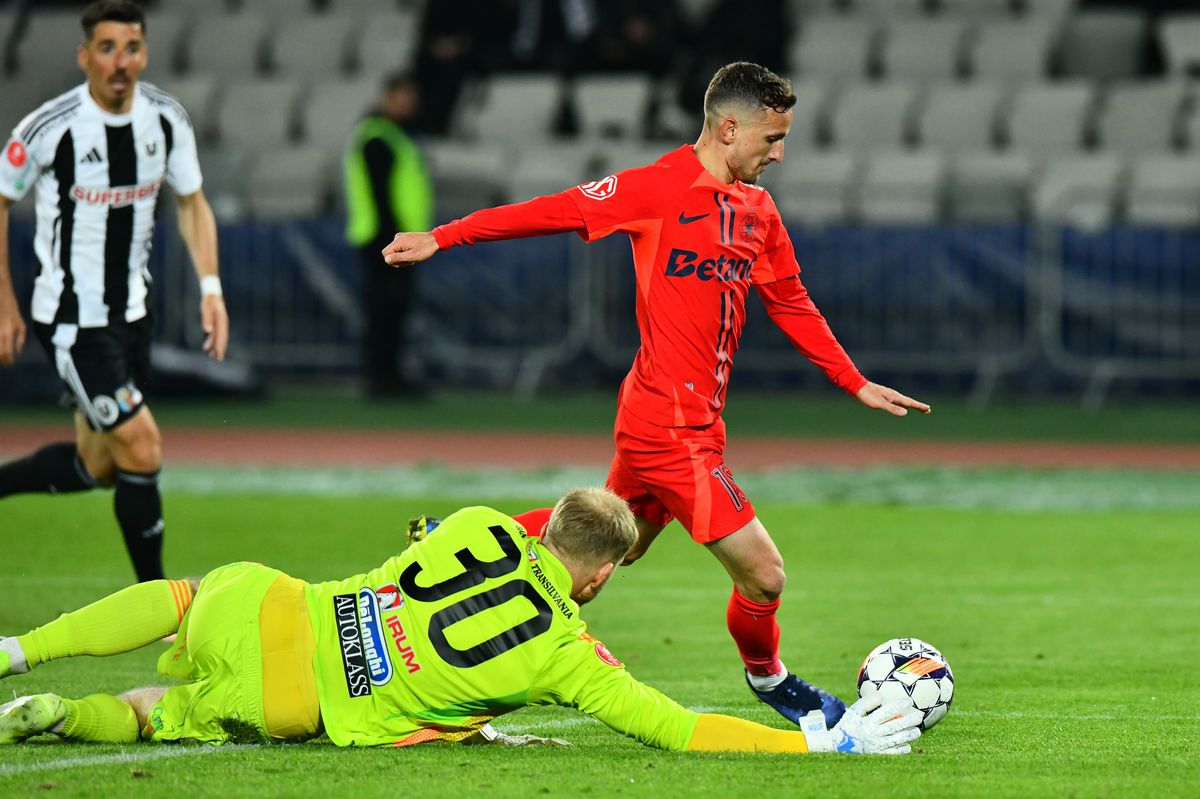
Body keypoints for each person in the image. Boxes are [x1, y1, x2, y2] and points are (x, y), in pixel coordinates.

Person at [381, 62, 932, 730]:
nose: (780, 152)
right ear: (729, 129)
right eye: (772, 138)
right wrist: (446, 235)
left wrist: (853, 379)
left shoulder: (758, 210)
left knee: (612, 548)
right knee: (765, 575)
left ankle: (459, 546)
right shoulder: (657, 189)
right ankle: (772, 681)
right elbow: (553, 210)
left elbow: (789, 298)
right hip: (667, 425)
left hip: (687, 418)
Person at [0, 488, 923, 755]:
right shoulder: (568, 657)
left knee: (188, 598)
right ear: (599, 579)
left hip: (282, 605)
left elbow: (426, 539)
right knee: (155, 708)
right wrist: (818, 749)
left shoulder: (479, 522)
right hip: (301, 699)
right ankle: (64, 713)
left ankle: (21, 647)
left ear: (544, 524)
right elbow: (680, 730)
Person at [0, 0, 228, 583]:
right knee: (143, 445)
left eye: (131, 48)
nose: (120, 62)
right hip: (73, 318)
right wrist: (4, 301)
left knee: (99, 465)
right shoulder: (48, 128)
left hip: (133, 313)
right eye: (107, 48)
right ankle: (157, 601)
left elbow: (192, 201)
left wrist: (211, 287)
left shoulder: (167, 120)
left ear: (145, 53)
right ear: (84, 57)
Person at [344, 73, 434, 398]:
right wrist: (396, 241)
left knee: (393, 309)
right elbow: (380, 196)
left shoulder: (397, 135)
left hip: (394, 239)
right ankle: (381, 379)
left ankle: (389, 376)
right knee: (384, 309)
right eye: (401, 96)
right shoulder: (378, 137)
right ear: (387, 96)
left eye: (411, 97)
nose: (407, 103)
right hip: (383, 239)